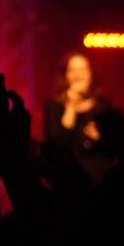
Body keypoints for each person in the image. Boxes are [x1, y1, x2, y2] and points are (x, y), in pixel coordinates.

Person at [41, 52, 119, 196]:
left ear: (90, 73)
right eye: (73, 70)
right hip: (67, 184)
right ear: (65, 75)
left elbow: (118, 146)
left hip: (100, 181)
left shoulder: (104, 106)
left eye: (82, 69)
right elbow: (53, 146)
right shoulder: (54, 107)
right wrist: (71, 106)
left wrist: (100, 136)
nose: (78, 75)